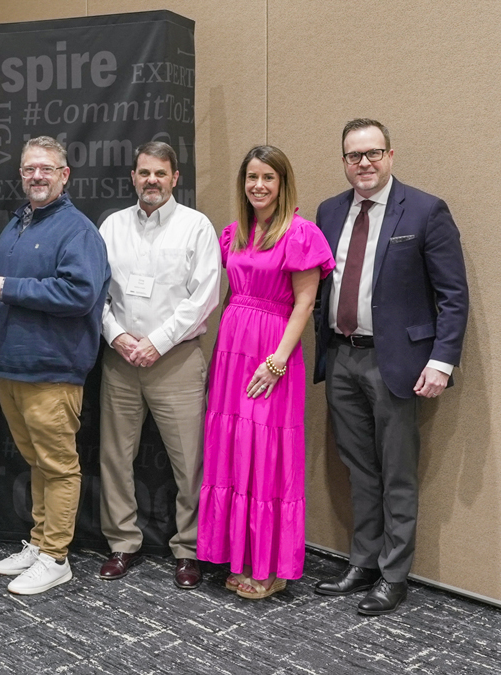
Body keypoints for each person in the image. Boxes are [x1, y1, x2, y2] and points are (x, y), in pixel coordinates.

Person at [311, 119, 468, 615]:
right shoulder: (330, 211)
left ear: (391, 155)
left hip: (396, 364)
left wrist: (441, 361)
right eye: (354, 155)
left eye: (373, 153)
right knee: (358, 469)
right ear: (343, 161)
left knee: (397, 471)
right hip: (341, 357)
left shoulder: (425, 210)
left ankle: (394, 574)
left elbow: (453, 296)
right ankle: (363, 561)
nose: (364, 163)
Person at [0, 136, 109, 595]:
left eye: (46, 169)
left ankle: (56, 556)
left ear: (64, 175)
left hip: (51, 371)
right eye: (29, 168)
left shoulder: (77, 230)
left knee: (58, 465)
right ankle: (39, 541)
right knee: (37, 462)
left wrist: (7, 288)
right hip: (10, 368)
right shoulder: (18, 224)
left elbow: (80, 293)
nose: (36, 176)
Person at [197, 146, 334, 600]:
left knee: (267, 453)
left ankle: (270, 565)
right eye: (252, 177)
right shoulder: (234, 233)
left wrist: (276, 362)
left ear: (283, 183)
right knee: (234, 448)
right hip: (232, 347)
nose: (259, 185)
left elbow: (305, 304)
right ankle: (238, 554)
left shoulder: (300, 233)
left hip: (273, 352)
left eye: (268, 177)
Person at [96, 141, 221, 589]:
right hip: (120, 359)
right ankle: (121, 542)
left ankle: (189, 549)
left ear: (175, 178)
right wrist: (119, 336)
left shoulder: (196, 227)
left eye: (160, 174)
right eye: (144, 172)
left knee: (190, 463)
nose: (152, 180)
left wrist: (157, 342)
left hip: (177, 361)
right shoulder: (111, 226)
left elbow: (204, 297)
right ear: (133, 177)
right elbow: (97, 294)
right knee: (115, 457)